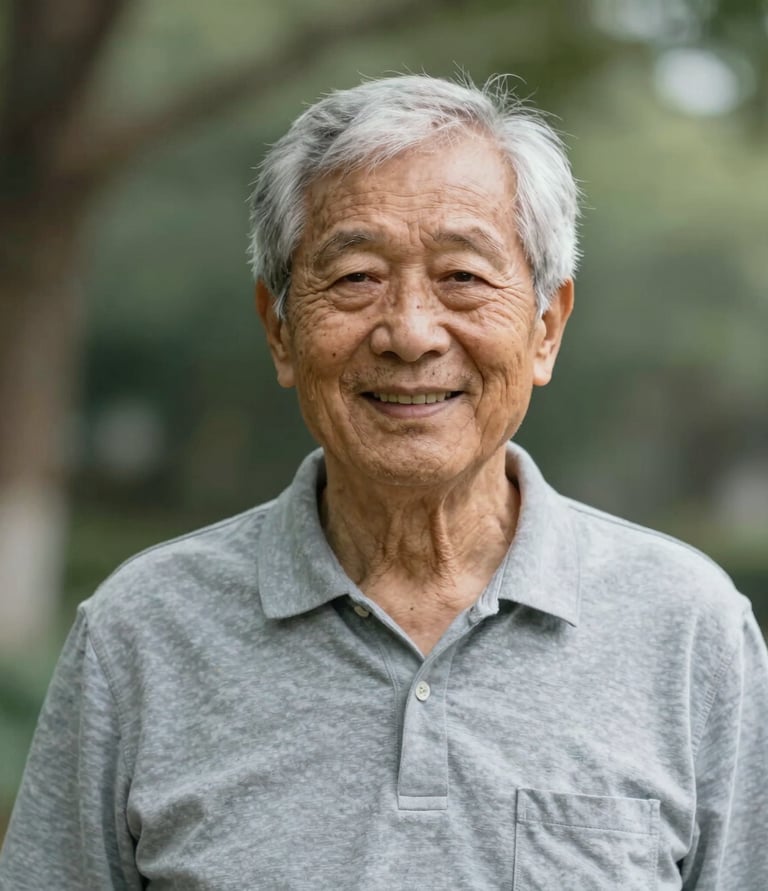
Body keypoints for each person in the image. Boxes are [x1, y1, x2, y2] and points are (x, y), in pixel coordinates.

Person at [1, 74, 766, 890]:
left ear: (546, 327)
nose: (409, 331)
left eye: (463, 276)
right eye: (357, 276)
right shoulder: (142, 633)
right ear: (280, 330)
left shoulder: (689, 629)